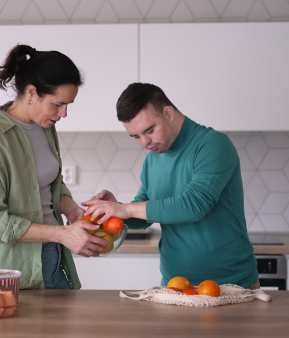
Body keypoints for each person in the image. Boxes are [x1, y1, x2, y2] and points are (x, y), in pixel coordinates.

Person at [83, 82, 259, 289]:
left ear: (168, 113)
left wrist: (125, 209)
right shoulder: (153, 159)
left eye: (149, 130)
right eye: (136, 136)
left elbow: (195, 205)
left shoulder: (213, 144)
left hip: (231, 285)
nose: (145, 142)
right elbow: (144, 216)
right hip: (174, 285)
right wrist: (116, 210)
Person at [0, 44, 109, 290]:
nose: (63, 113)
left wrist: (72, 208)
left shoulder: (45, 127)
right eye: (57, 104)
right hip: (11, 268)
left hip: (53, 254)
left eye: (68, 105)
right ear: (32, 93)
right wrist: (62, 235)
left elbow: (48, 183)